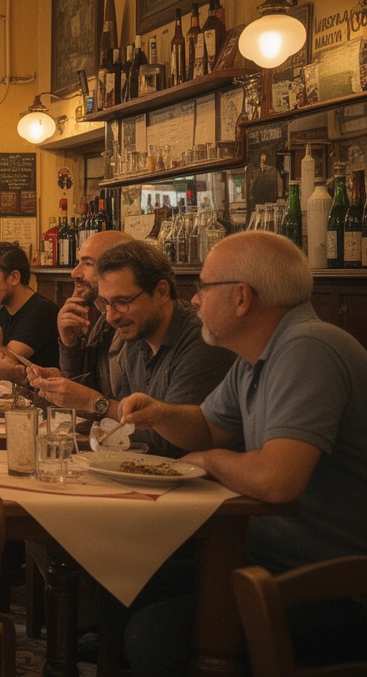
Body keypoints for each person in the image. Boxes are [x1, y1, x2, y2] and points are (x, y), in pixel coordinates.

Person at [113, 232, 367, 675]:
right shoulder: (255, 356)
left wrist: (210, 461)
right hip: (264, 565)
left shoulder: (309, 348)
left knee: (154, 634)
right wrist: (161, 414)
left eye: (204, 287)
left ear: (242, 298)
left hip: (335, 586)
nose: (193, 301)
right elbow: (208, 428)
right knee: (121, 584)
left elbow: (276, 480)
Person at [28, 241, 235, 459]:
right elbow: (123, 423)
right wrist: (64, 395)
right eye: (106, 303)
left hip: (196, 486)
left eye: (122, 302)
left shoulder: (201, 340)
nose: (110, 316)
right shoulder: (138, 337)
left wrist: (95, 404)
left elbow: (172, 443)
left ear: (162, 292)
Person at [54, 230, 133, 400]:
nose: (74, 273)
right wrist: (70, 344)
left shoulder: (135, 323)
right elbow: (82, 393)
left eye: (88, 263)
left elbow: (130, 413)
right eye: (78, 262)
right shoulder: (104, 322)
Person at [0, 242, 60, 379]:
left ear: (14, 278)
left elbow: (0, 363)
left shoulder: (41, 311)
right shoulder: (2, 309)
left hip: (38, 397)